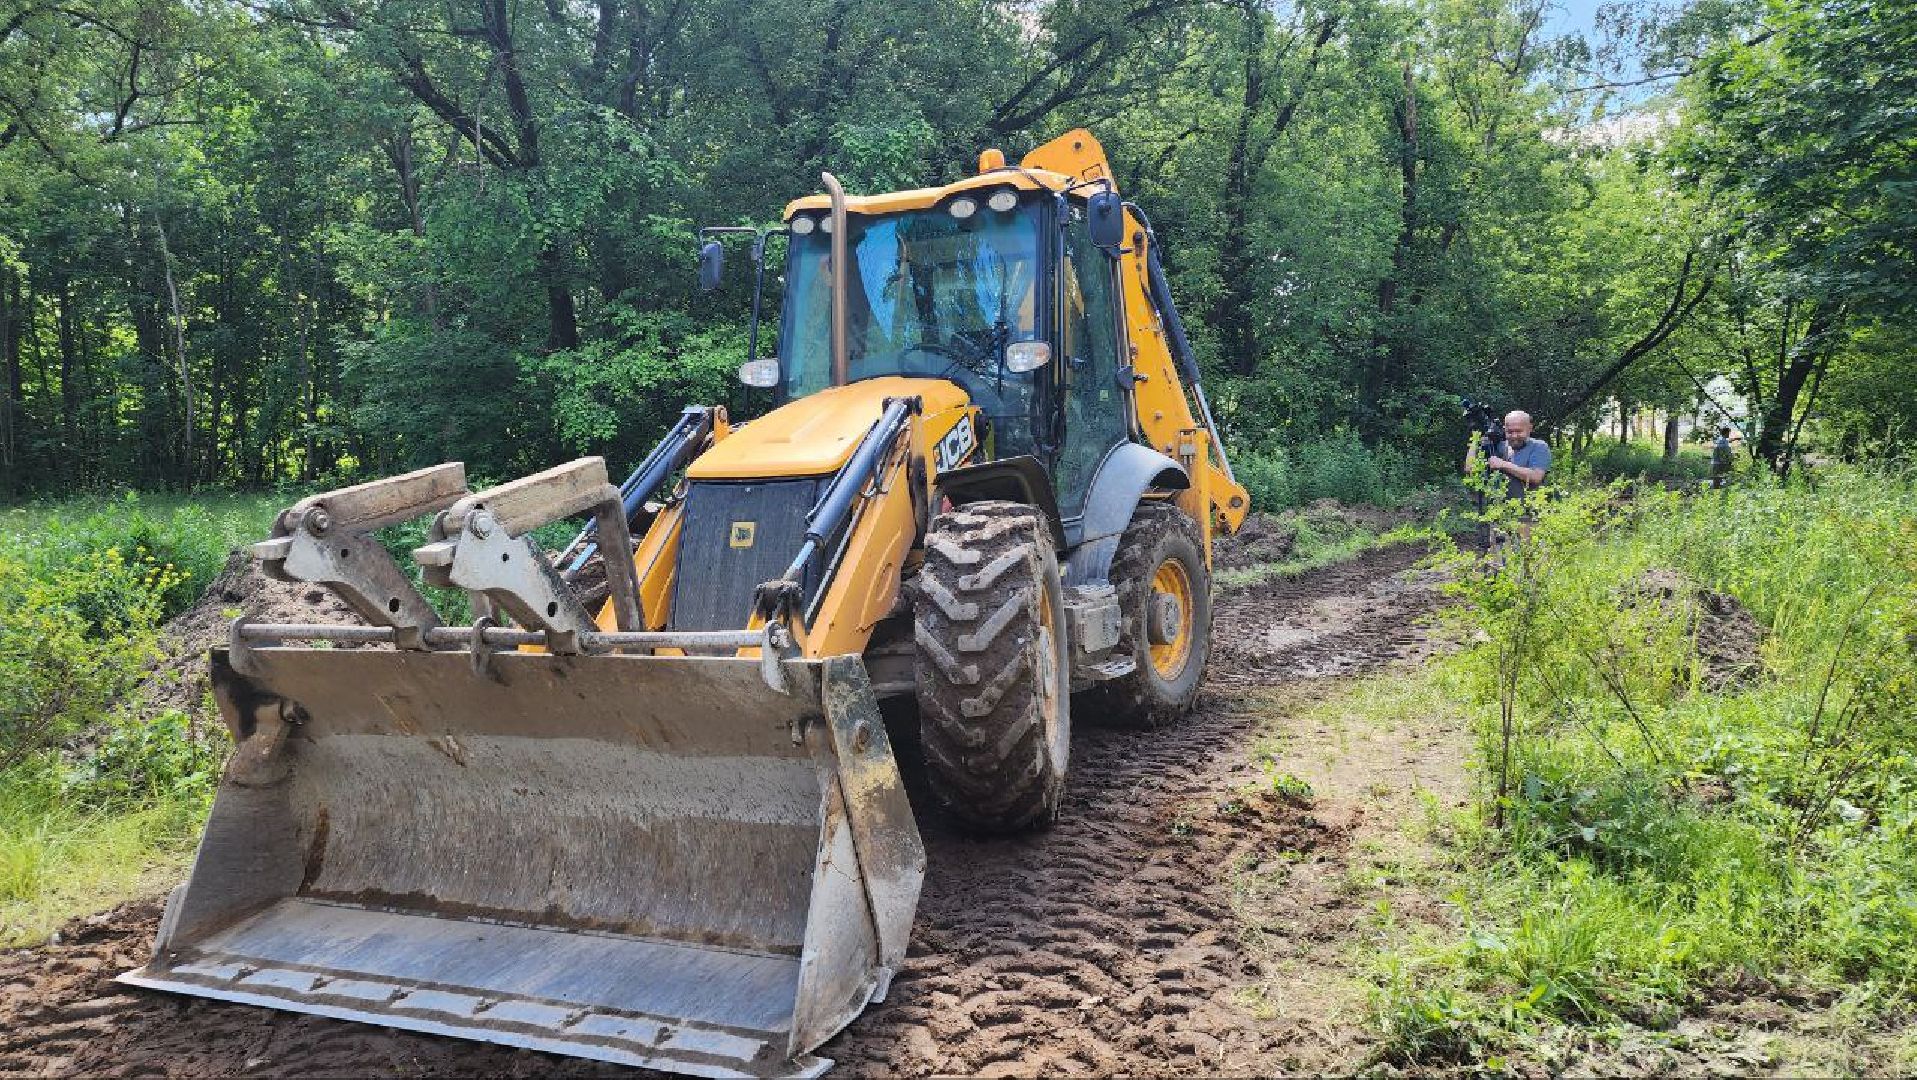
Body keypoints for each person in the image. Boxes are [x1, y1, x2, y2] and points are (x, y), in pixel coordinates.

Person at [1710, 425, 1739, 489]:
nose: (1729, 434)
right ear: (1726, 433)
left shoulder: (1719, 440)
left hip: (1715, 463)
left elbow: (1724, 445)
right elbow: (1726, 453)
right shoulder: (1724, 441)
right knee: (1730, 477)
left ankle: (1715, 494)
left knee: (1716, 480)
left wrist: (1734, 439)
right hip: (1721, 464)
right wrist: (1734, 457)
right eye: (1729, 433)